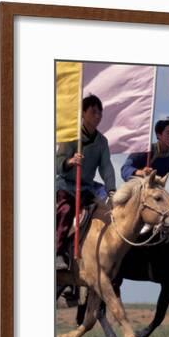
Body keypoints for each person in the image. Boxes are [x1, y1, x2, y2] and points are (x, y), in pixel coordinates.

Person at [56, 94, 116, 268]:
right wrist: (70, 161)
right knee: (66, 211)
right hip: (66, 187)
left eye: (100, 113)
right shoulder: (71, 136)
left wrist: (112, 190)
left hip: (86, 190)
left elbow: (106, 167)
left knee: (104, 213)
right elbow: (57, 162)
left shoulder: (102, 142)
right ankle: (58, 253)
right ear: (83, 113)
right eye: (93, 112)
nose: (98, 116)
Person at [120, 116, 169, 203]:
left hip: (154, 198)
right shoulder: (145, 149)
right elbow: (125, 169)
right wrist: (140, 172)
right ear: (159, 135)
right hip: (135, 194)